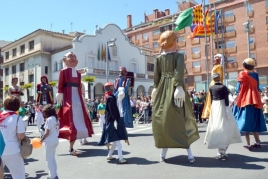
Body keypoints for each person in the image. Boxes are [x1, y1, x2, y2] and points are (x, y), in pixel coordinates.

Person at [151, 31, 199, 164]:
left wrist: (158, 87)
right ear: (174, 42)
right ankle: (168, 151)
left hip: (166, 88)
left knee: (171, 118)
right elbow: (174, 72)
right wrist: (177, 86)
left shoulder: (164, 57)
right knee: (173, 118)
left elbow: (162, 74)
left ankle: (174, 151)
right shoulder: (170, 57)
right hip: (169, 88)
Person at [56, 52, 94, 156]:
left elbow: (79, 86)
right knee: (69, 118)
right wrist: (60, 92)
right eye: (70, 56)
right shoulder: (63, 71)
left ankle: (80, 137)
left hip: (77, 97)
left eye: (74, 56)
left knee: (80, 117)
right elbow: (60, 83)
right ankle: (71, 146)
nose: (73, 58)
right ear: (65, 60)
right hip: (68, 97)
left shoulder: (78, 74)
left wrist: (82, 97)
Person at [204, 73, 242, 159]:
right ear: (219, 78)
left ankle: (220, 149)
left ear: (213, 79)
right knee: (226, 125)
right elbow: (226, 100)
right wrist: (227, 110)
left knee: (216, 125)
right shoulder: (223, 87)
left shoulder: (211, 87)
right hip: (222, 106)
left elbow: (211, 99)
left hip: (215, 106)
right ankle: (223, 149)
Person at [233, 58, 267, 150]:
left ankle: (248, 144)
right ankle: (257, 141)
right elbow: (257, 86)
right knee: (255, 119)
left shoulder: (242, 74)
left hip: (245, 99)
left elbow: (238, 88)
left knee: (245, 120)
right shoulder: (256, 74)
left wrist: (235, 96)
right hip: (255, 99)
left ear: (244, 65)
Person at [98, 82, 128, 164]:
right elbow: (112, 110)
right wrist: (115, 119)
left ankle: (109, 156)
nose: (112, 87)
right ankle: (121, 158)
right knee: (118, 143)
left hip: (110, 121)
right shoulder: (111, 97)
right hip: (111, 121)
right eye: (111, 86)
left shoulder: (109, 97)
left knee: (115, 142)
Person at [0, 96, 26, 179]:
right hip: (12, 149)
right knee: (18, 175)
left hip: (0, 149)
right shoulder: (17, 118)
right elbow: (21, 136)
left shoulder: (1, 116)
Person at [202, 54, 224, 121]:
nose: (214, 59)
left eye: (216, 57)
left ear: (220, 59)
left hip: (215, 83)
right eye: (214, 57)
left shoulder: (220, 66)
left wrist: (218, 84)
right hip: (212, 83)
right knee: (209, 99)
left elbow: (220, 76)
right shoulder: (215, 66)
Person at [40, 104, 59, 179]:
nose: (44, 114)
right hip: (55, 139)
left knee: (48, 160)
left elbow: (47, 132)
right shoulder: (56, 118)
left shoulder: (49, 119)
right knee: (52, 158)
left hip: (50, 141)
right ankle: (53, 175)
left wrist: (41, 140)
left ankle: (53, 176)